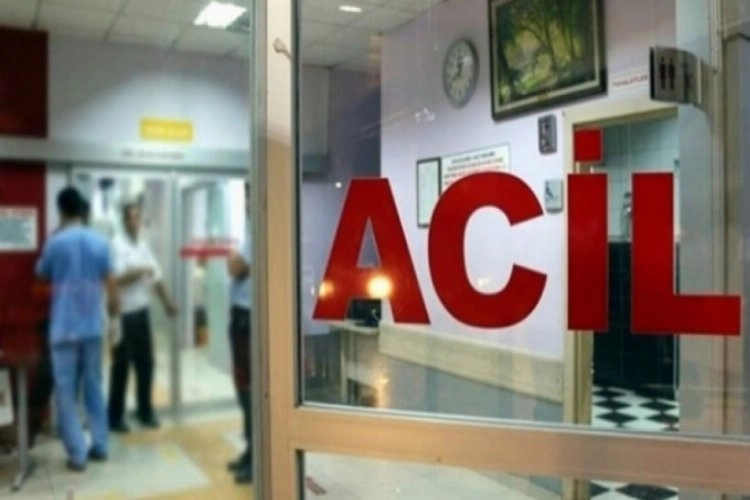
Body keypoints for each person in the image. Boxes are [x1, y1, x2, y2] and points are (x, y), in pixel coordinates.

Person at [36, 187, 119, 471]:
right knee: (94, 387)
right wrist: (115, 320)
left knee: (66, 392)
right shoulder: (100, 242)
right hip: (93, 328)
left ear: (60, 210)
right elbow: (111, 285)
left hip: (64, 328)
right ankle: (100, 444)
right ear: (82, 210)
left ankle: (77, 454)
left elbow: (41, 272)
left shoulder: (55, 243)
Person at [108, 202, 177, 432]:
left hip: (141, 312)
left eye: (138, 217)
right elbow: (115, 279)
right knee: (121, 366)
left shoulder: (143, 245)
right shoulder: (116, 245)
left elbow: (156, 277)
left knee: (146, 364)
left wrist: (167, 302)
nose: (135, 221)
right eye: (131, 217)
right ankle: (115, 417)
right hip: (122, 314)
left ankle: (145, 411)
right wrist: (138, 271)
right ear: (124, 220)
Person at [226, 191, 252, 484]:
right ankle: (250, 452)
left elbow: (234, 267)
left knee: (249, 389)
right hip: (241, 318)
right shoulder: (248, 231)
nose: (245, 203)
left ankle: (255, 457)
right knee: (243, 387)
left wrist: (233, 259)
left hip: (247, 320)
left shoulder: (257, 230)